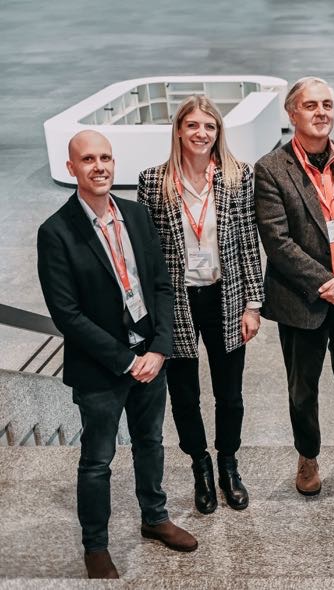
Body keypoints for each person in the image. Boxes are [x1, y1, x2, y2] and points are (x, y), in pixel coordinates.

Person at [37, 130, 197, 579]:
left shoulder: (136, 215)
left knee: (151, 443)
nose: (99, 166)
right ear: (71, 168)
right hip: (101, 369)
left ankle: (155, 517)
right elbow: (67, 315)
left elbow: (161, 284)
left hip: (149, 356)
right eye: (88, 159)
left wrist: (160, 348)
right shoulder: (56, 232)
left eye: (105, 157)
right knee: (97, 461)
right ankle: (95, 546)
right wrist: (125, 361)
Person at [254, 77, 334, 495]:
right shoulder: (271, 168)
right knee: (302, 387)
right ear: (292, 113)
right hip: (301, 300)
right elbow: (277, 241)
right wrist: (328, 283)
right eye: (311, 105)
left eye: (327, 104)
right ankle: (307, 456)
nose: (321, 112)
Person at [137, 95, 264, 514]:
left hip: (225, 296)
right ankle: (200, 467)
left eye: (209, 126)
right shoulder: (154, 181)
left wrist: (252, 304)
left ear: (217, 132)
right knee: (184, 396)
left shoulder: (237, 176)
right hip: (176, 302)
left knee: (230, 394)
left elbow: (248, 241)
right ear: (178, 130)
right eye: (192, 125)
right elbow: (147, 253)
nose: (201, 133)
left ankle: (228, 463)